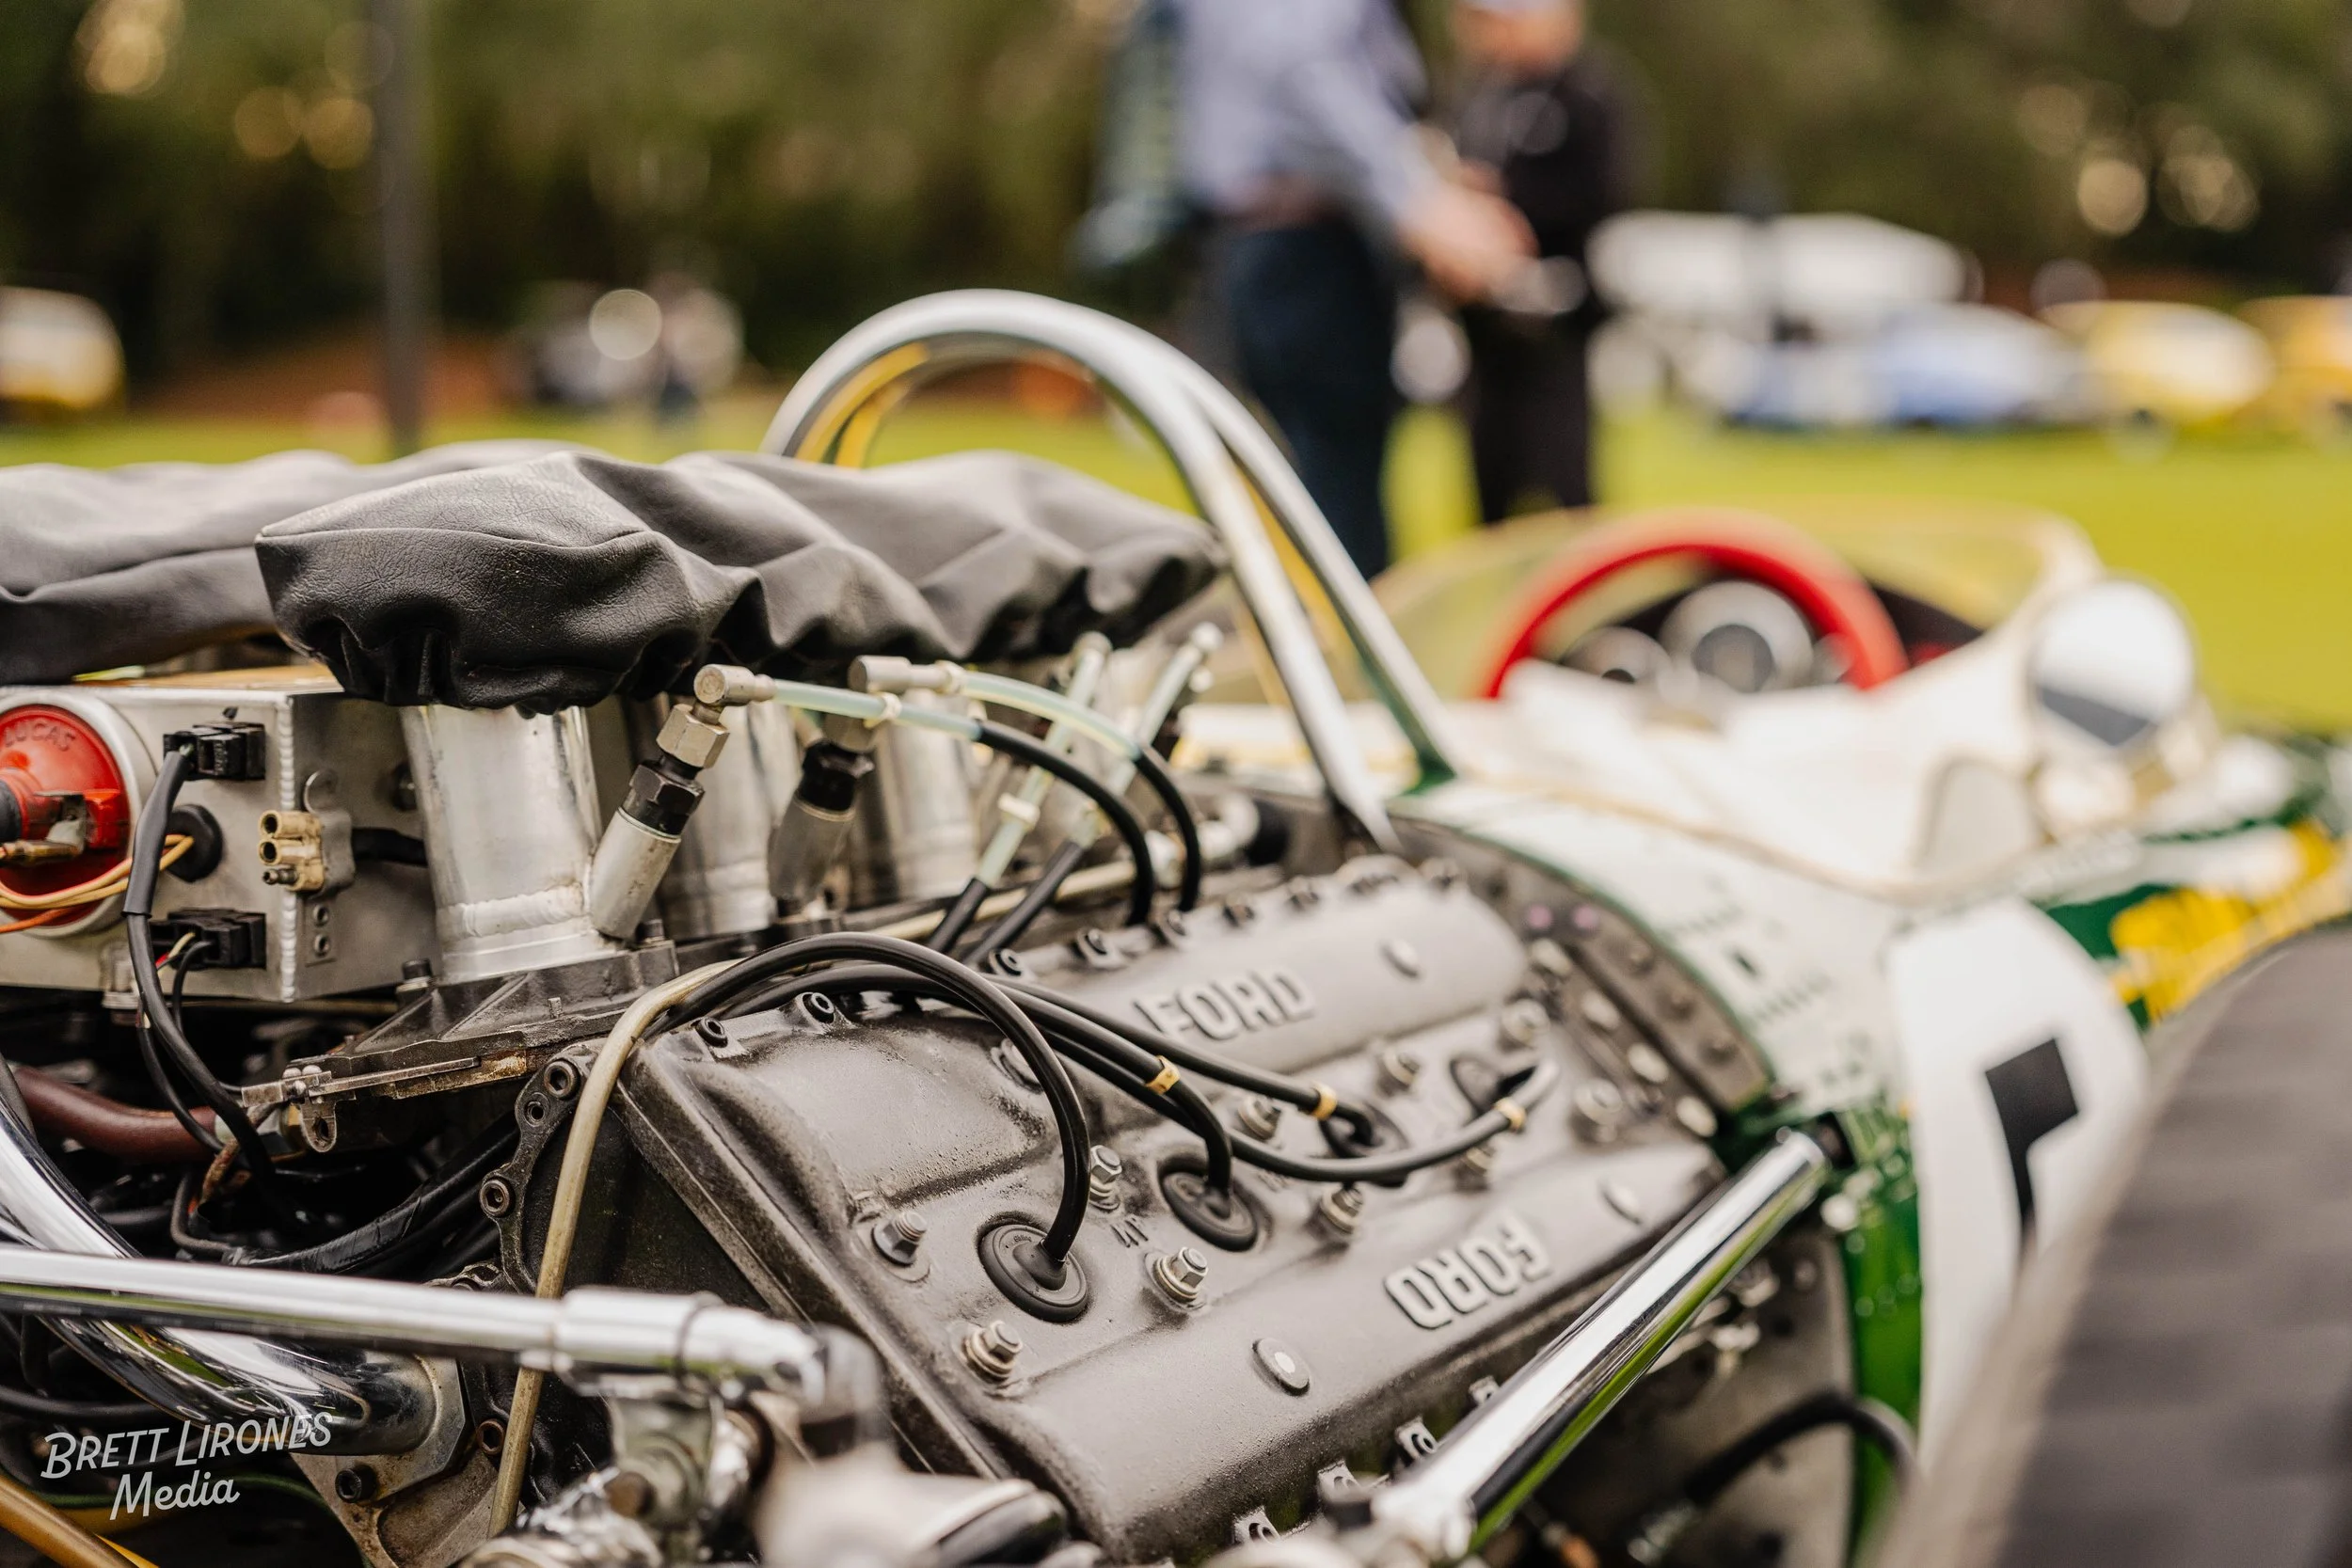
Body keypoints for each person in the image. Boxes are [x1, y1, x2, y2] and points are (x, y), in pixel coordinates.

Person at [1174, 0, 1534, 580]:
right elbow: (1310, 70)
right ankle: (1345, 662)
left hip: (1260, 242)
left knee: (1303, 478)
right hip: (1308, 246)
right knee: (1338, 498)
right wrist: (1418, 200)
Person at [1451, 0, 1631, 520]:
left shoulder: (1588, 94)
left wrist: (1507, 211)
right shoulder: (1479, 97)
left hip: (1559, 322)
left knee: (1565, 479)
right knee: (1492, 483)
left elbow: (1602, 191)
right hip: (1488, 327)